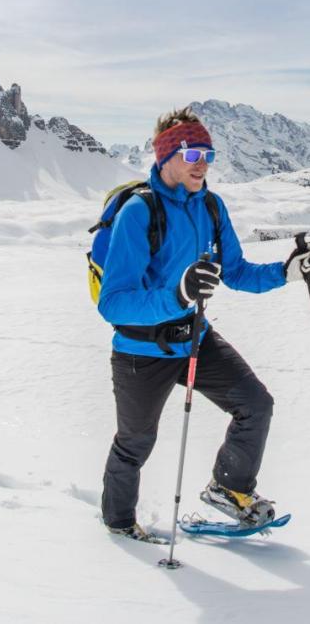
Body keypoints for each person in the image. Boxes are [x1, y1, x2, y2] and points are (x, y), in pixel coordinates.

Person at [98, 106, 310, 541]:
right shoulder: (139, 213)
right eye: (193, 154)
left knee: (256, 405)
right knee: (135, 442)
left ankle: (229, 488)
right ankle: (118, 525)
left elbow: (235, 271)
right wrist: (177, 294)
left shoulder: (211, 207)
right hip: (142, 350)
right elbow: (114, 303)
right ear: (166, 157)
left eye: (209, 155)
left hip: (195, 339)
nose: (203, 164)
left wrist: (284, 273)